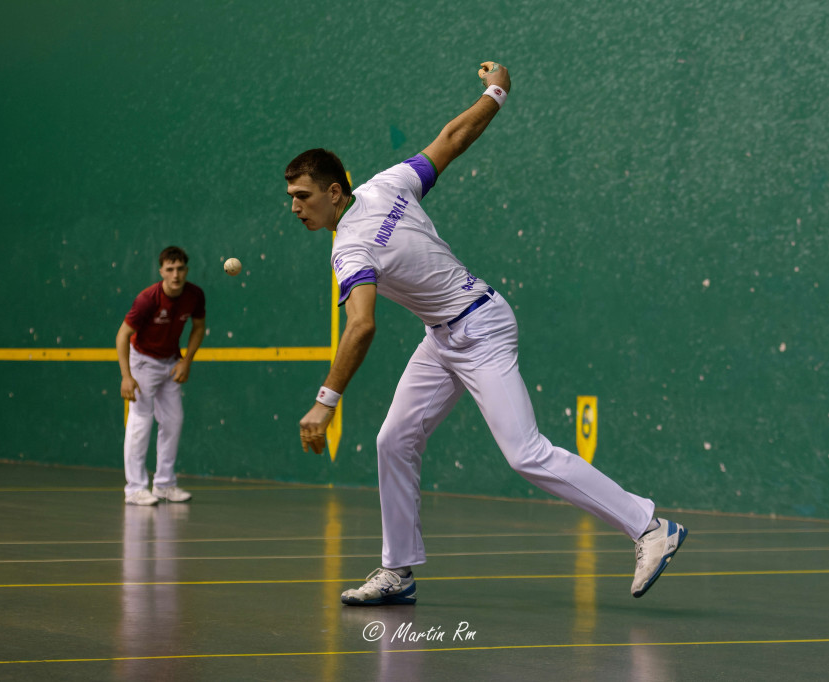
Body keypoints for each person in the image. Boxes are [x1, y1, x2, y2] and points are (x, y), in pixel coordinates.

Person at [286, 62, 687, 605]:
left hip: (481, 328)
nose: (295, 208)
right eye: (291, 197)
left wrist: (326, 401)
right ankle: (397, 571)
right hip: (443, 337)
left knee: (526, 453)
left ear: (334, 192)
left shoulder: (351, 248)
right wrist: (496, 91)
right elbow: (453, 138)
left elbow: (361, 325)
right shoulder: (387, 185)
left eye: (303, 196)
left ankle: (649, 527)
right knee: (393, 440)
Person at [116, 246, 206, 506]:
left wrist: (186, 361)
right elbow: (122, 335)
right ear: (161, 271)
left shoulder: (194, 295)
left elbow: (199, 327)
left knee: (173, 421)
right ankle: (134, 489)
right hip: (143, 362)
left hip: (171, 362)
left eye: (180, 269)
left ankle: (164, 485)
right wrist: (126, 376)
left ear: (186, 270)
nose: (175, 275)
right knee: (141, 421)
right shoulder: (148, 299)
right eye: (170, 269)